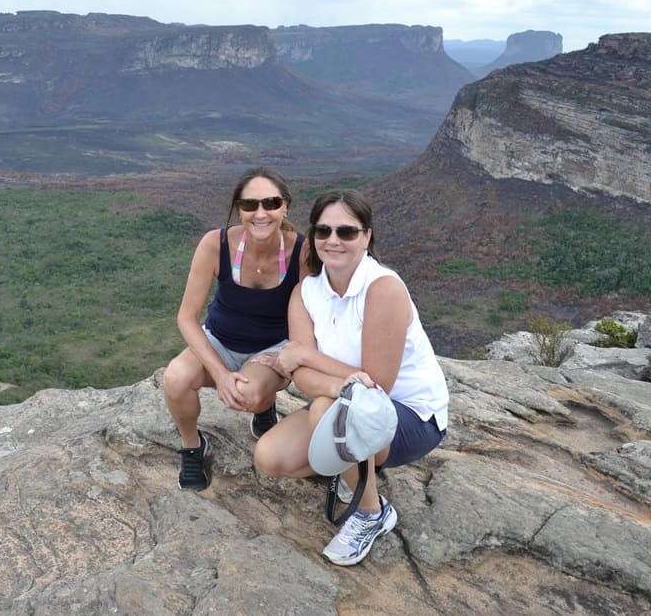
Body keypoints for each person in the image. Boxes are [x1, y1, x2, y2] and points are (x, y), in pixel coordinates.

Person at [253, 188, 449, 566]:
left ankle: (371, 512)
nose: (333, 240)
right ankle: (351, 465)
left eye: (347, 232)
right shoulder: (306, 293)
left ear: (367, 236)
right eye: (323, 231)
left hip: (409, 416)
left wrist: (307, 357)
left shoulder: (383, 289)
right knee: (270, 457)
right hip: (343, 405)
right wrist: (333, 382)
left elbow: (377, 385)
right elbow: (301, 377)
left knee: (329, 409)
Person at [163, 167, 308, 491]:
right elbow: (187, 316)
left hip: (272, 348)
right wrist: (220, 372)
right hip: (220, 340)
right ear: (237, 209)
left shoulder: (302, 251)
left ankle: (265, 404)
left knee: (250, 396)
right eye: (249, 205)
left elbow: (318, 310)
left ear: (285, 206)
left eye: (270, 203)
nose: (260, 213)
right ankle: (191, 446)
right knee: (175, 378)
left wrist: (292, 353)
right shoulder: (216, 245)